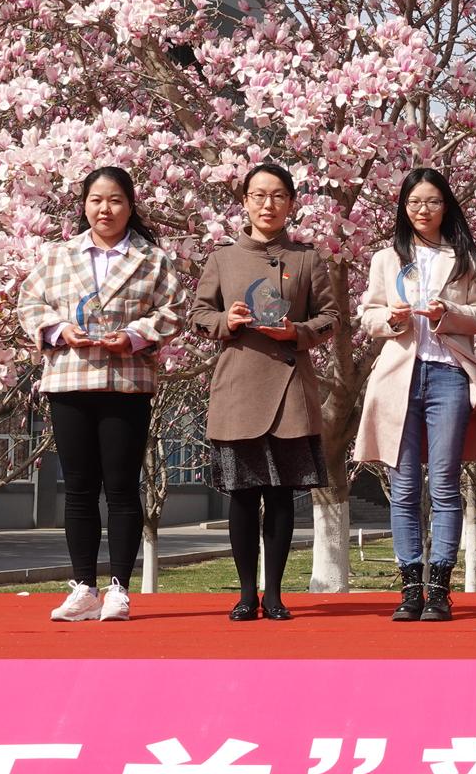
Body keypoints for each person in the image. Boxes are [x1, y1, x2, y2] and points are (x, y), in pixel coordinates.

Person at [18, 166, 186, 622]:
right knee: (78, 487)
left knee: (122, 488)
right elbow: (29, 303)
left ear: (130, 206)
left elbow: (174, 310)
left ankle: (119, 590)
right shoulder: (59, 255)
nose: (104, 209)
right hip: (69, 380)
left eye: (114, 200)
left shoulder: (152, 259)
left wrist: (132, 336)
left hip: (126, 382)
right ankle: (83, 587)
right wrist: (58, 330)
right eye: (95, 200)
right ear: (84, 205)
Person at [354, 168, 476, 622]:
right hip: (398, 377)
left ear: (446, 206)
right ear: (403, 207)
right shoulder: (387, 258)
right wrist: (393, 319)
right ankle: (410, 588)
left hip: (448, 374)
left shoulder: (466, 258)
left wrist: (449, 312)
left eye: (432, 201)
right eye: (414, 202)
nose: (423, 210)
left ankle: (440, 587)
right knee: (404, 487)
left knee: (444, 483)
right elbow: (368, 316)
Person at [190, 162, 339, 621]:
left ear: (291, 203)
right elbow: (198, 316)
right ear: (244, 202)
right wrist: (226, 321)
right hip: (239, 388)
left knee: (279, 495)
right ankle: (245, 594)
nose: (267, 204)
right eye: (258, 195)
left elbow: (331, 319)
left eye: (277, 195)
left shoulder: (307, 259)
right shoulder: (222, 258)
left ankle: (273, 593)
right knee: (242, 495)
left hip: (290, 389)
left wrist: (296, 332)